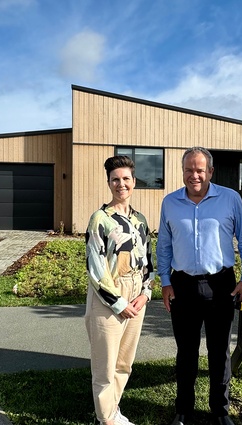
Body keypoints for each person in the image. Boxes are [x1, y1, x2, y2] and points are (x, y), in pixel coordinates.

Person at [157, 147, 242, 425]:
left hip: (221, 285)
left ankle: (220, 410)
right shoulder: (170, 203)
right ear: (182, 172)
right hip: (183, 286)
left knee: (219, 352)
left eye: (200, 170)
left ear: (211, 171)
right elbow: (164, 246)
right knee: (186, 352)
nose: (195, 175)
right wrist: (165, 281)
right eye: (189, 170)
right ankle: (183, 409)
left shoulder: (230, 199)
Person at [85, 155, 154, 425]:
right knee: (105, 366)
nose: (121, 184)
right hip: (109, 296)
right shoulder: (100, 219)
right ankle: (107, 420)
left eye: (126, 179)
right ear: (109, 183)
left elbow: (149, 260)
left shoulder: (140, 220)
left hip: (137, 297)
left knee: (124, 363)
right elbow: (96, 268)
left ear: (134, 182)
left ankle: (112, 411)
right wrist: (118, 302)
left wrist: (145, 294)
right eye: (115, 179)